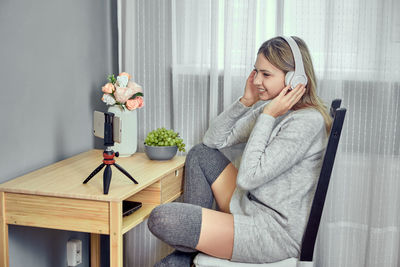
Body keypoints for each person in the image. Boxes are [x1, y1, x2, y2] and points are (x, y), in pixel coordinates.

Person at [147, 36, 332, 266]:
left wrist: (267, 116)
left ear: (296, 79)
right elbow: (213, 140)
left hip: (273, 233)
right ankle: (189, 255)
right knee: (199, 153)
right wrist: (245, 101)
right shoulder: (274, 108)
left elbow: (248, 178)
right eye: (256, 72)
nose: (256, 80)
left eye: (266, 74)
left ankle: (185, 257)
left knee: (162, 218)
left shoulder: (306, 122)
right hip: (250, 207)